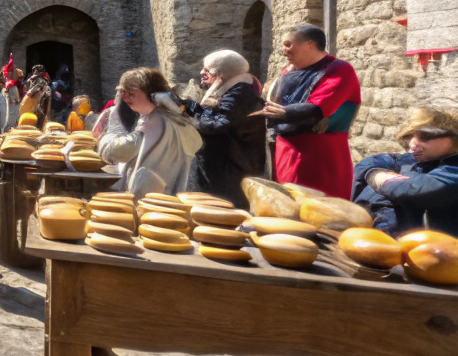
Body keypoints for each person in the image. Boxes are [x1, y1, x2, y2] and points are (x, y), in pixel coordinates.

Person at [262, 24, 360, 197]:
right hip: (286, 150)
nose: (285, 50)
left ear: (310, 44)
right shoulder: (288, 71)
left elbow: (318, 107)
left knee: (320, 206)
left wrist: (284, 113)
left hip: (320, 154)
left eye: (289, 44)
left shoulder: (339, 70)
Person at [97, 67, 202, 199]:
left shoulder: (157, 120)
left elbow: (114, 152)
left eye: (130, 93)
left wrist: (115, 123)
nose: (124, 97)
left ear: (151, 92)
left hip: (153, 199)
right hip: (164, 196)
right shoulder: (166, 117)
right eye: (123, 92)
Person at [352, 107, 458, 236]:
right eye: (411, 136)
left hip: (439, 245)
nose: (413, 144)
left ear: (454, 138)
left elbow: (411, 189)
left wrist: (375, 175)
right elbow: (367, 163)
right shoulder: (411, 161)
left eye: (425, 137)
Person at [181, 50, 265, 209]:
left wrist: (193, 115)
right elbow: (212, 115)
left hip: (231, 168)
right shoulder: (231, 90)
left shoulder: (240, 93)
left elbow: (217, 124)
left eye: (207, 70)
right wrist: (189, 106)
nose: (202, 73)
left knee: (223, 213)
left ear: (221, 74)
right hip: (222, 165)